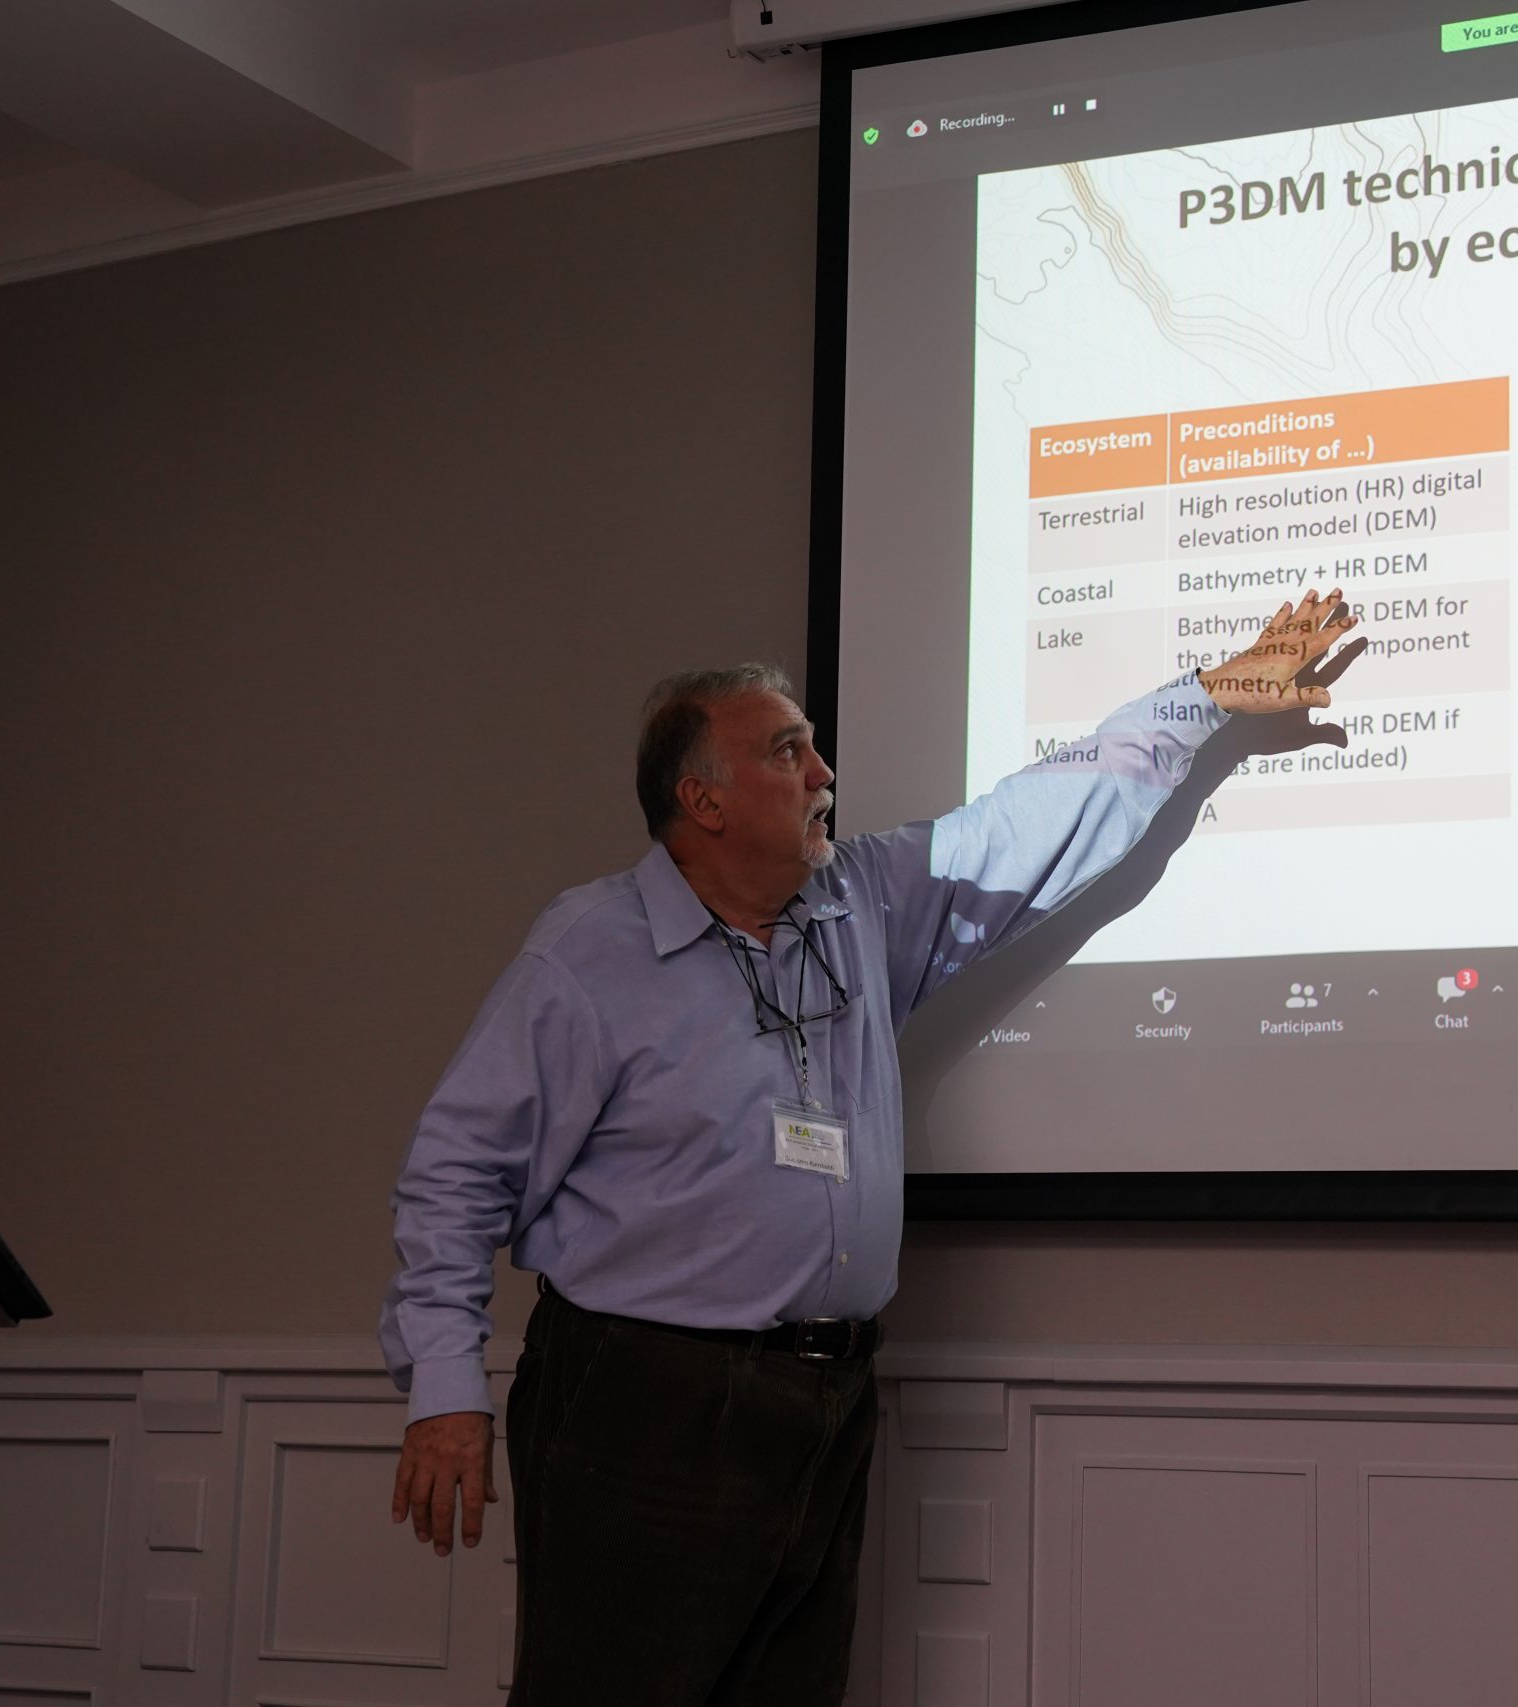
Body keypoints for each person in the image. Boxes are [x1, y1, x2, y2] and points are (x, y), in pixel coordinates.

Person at [379, 591, 1360, 1705]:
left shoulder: (860, 904)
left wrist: (1208, 699)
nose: (823, 773)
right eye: (787, 751)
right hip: (648, 1399)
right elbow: (457, 1174)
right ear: (702, 798)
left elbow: (1038, 813)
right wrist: (445, 1388)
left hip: (826, 1396)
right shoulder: (589, 951)